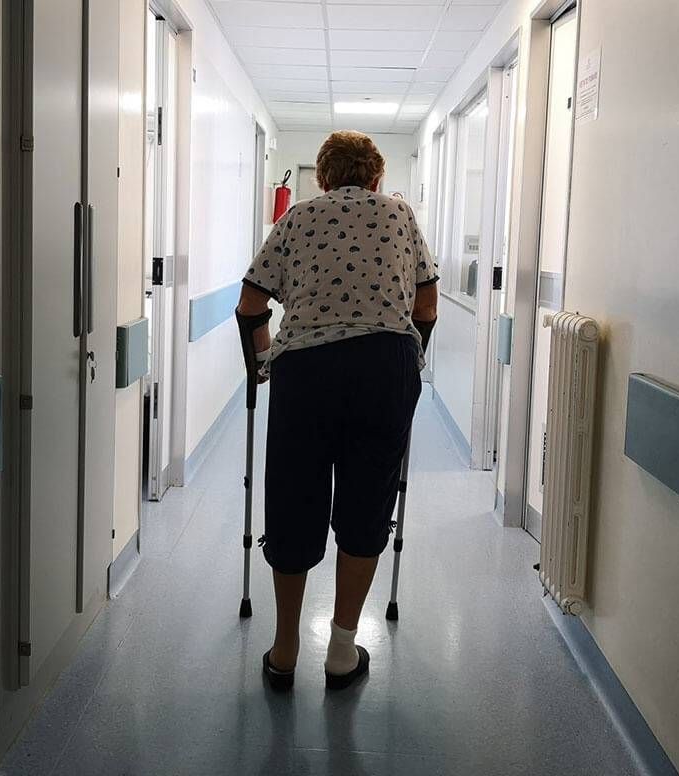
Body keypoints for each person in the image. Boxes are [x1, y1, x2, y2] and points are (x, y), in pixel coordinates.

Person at [236, 130, 439, 692]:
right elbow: (426, 302)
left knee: (294, 501)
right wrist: (408, 356)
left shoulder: (298, 217)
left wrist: (264, 363)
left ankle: (284, 651)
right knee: (367, 502)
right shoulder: (400, 215)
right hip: (384, 370)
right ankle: (343, 651)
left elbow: (251, 303)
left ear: (323, 178)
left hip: (306, 374)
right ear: (377, 177)